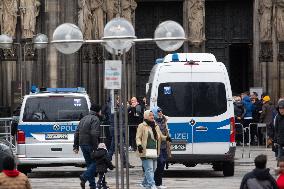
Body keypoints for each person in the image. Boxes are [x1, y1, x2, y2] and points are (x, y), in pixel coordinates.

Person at [136, 110, 170, 189]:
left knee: (153, 169)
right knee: (149, 169)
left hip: (154, 150)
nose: (152, 116)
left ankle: (144, 183)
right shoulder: (141, 126)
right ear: (146, 116)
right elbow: (138, 137)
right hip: (145, 150)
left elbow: (161, 136)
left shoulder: (155, 126)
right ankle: (152, 184)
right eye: (150, 115)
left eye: (152, 115)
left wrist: (167, 138)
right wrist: (139, 145)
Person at [73, 104, 102, 189]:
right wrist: (95, 147)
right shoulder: (95, 119)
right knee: (97, 163)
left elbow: (76, 133)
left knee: (90, 165)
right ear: (97, 111)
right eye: (100, 110)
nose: (101, 112)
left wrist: (76, 146)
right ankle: (84, 177)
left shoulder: (83, 118)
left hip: (82, 144)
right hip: (90, 144)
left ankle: (92, 186)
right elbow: (94, 134)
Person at [153, 107, 172, 189]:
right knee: (158, 165)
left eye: (161, 111)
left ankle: (159, 184)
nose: (160, 113)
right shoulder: (153, 122)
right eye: (158, 112)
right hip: (157, 147)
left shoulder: (164, 120)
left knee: (162, 165)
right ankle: (154, 183)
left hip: (164, 146)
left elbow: (166, 130)